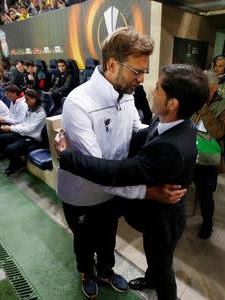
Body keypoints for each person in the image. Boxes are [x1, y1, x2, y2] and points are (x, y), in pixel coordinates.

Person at [56, 64, 208, 300]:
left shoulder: (170, 148)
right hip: (146, 213)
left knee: (163, 269)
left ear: (172, 104)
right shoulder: (171, 121)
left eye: (157, 88)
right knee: (145, 255)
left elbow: (114, 173)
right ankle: (145, 278)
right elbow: (141, 134)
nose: (148, 89)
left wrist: (66, 155)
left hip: (164, 220)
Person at [192, 70, 225, 239]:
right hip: (189, 150)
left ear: (214, 87)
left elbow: (218, 131)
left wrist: (204, 110)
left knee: (205, 193)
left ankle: (207, 222)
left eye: (203, 86)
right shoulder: (194, 99)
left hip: (207, 156)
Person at [0, 89, 46, 176]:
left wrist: (11, 128)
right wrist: (12, 128)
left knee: (10, 149)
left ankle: (18, 165)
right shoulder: (30, 109)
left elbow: (30, 129)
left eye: (27, 99)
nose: (25, 102)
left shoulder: (41, 113)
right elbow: (24, 123)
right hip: (22, 134)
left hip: (32, 138)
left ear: (34, 99)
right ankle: (16, 162)